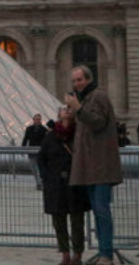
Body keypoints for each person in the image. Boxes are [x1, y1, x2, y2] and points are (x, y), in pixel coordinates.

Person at [65, 65, 122, 264]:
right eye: (74, 81)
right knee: (98, 211)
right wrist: (71, 116)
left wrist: (78, 109)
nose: (76, 84)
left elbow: (98, 122)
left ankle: (106, 253)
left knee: (101, 210)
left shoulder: (98, 97)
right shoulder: (86, 99)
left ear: (89, 79)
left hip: (100, 165)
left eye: (79, 80)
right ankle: (103, 251)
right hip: (90, 166)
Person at [39, 107, 90, 265]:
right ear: (58, 114)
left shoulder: (80, 133)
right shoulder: (50, 136)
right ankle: (65, 253)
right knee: (58, 221)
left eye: (69, 109)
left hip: (75, 183)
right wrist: (47, 178)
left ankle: (78, 254)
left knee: (77, 221)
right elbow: (42, 159)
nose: (67, 110)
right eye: (63, 109)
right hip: (55, 184)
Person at [23, 114, 48, 189]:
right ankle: (38, 182)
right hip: (31, 151)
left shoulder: (44, 129)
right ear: (33, 120)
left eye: (39, 119)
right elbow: (25, 139)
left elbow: (46, 141)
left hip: (40, 152)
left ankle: (39, 183)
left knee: (39, 168)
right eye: (36, 119)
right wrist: (22, 148)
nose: (37, 121)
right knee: (33, 167)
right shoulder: (29, 129)